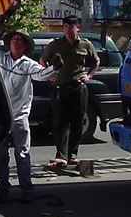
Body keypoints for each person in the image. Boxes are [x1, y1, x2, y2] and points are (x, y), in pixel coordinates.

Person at [0, 30, 55, 203]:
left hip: (19, 116)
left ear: (25, 46)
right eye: (14, 38)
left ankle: (27, 189)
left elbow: (42, 75)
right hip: (1, 115)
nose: (16, 41)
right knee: (1, 154)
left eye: (19, 40)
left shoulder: (28, 64)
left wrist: (54, 67)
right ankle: (3, 188)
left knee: (22, 154)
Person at [39, 15, 99, 169]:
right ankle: (61, 156)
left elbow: (96, 61)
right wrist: (48, 74)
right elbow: (42, 59)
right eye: (65, 26)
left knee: (77, 123)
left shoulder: (85, 45)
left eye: (71, 26)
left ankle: (72, 154)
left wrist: (90, 75)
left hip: (78, 88)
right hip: (60, 88)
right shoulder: (56, 45)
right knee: (60, 123)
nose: (67, 29)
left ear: (77, 28)